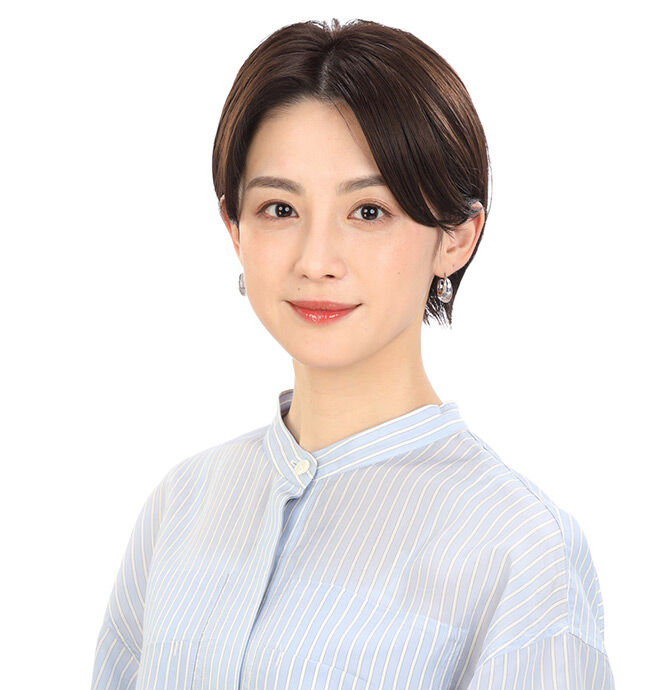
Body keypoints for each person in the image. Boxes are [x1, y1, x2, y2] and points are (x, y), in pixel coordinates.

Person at [91, 18, 615, 690]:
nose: (316, 261)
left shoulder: (518, 547)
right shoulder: (182, 505)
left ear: (456, 236)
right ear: (234, 228)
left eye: (368, 211)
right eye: (280, 209)